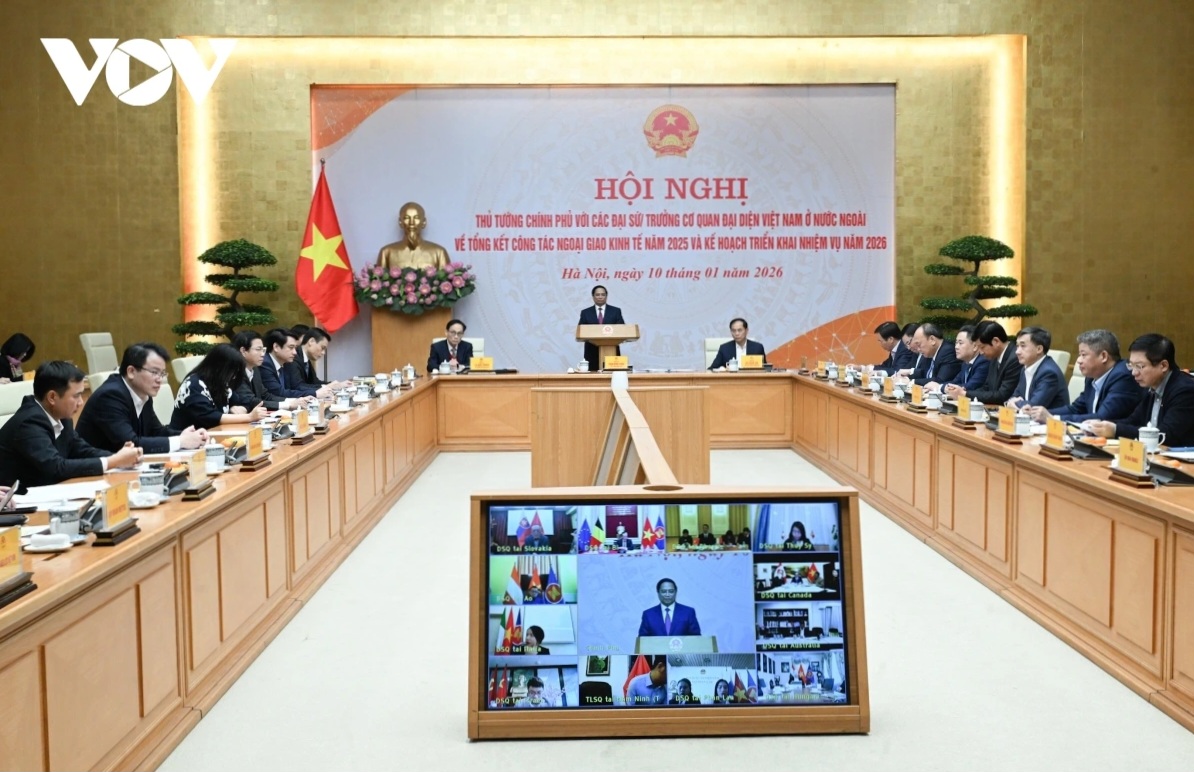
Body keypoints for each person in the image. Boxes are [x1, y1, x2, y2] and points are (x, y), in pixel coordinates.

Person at [0, 361, 141, 492]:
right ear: (52, 397)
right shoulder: (29, 422)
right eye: (76, 396)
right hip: (17, 502)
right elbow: (56, 467)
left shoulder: (62, 417)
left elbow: (81, 450)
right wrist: (113, 461)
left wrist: (121, 457)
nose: (81, 402)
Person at [76, 342, 208, 453]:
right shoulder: (110, 396)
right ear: (131, 372)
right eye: (154, 372)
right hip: (94, 472)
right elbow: (130, 444)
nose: (160, 379)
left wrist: (189, 436)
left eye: (162, 373)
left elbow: (156, 431)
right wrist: (180, 441)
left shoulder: (142, 393)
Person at [1087, 334, 1194, 447]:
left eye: (1139, 366)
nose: (1134, 373)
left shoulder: (1185, 391)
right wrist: (1101, 426)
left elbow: (1167, 435)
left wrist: (1115, 430)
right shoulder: (1151, 387)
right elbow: (1133, 421)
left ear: (1163, 366)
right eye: (1131, 365)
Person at [1028, 330, 1144, 423]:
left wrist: (1054, 419)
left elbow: (1102, 418)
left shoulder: (1123, 376)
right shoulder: (1092, 377)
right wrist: (1039, 413)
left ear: (1103, 356)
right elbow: (1076, 408)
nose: (1078, 360)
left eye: (1083, 355)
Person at [172, 344, 269, 430]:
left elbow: (241, 401)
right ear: (219, 367)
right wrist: (249, 417)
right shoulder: (193, 384)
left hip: (214, 434)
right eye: (232, 371)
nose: (234, 376)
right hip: (187, 438)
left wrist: (236, 407)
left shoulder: (220, 383)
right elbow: (209, 416)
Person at [951, 320, 1022, 405]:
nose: (980, 352)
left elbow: (1002, 395)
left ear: (996, 341)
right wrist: (965, 393)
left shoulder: (1015, 358)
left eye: (982, 347)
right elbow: (987, 388)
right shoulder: (994, 357)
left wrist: (965, 394)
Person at [1007, 326, 1069, 411]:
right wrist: (1013, 402)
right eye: (1017, 346)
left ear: (1039, 349)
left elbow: (1033, 406)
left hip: (1050, 419)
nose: (1017, 351)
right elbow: (1014, 397)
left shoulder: (1049, 373)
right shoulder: (1025, 368)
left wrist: (1014, 403)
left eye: (1023, 346)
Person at [376, 201, 450, 272]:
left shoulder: (439, 253)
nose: (412, 223)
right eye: (407, 218)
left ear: (424, 222)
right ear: (400, 222)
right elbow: (379, 279)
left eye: (416, 218)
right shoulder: (386, 252)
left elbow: (445, 278)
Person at [230, 331, 292, 412]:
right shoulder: (235, 372)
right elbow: (251, 401)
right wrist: (288, 405)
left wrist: (292, 401)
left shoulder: (255, 369)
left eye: (263, 350)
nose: (262, 354)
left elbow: (265, 395)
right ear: (243, 351)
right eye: (258, 349)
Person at [260, 328, 326, 399]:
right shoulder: (265, 363)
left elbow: (295, 387)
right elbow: (279, 393)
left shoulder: (286, 363)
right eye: (291, 347)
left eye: (295, 348)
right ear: (276, 347)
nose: (295, 352)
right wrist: (315, 393)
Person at [578, 285, 625, 372]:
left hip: (612, 350)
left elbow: (621, 329)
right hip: (591, 351)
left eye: (603, 294)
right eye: (597, 295)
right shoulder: (585, 312)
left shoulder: (615, 311)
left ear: (606, 296)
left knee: (613, 376)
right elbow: (581, 330)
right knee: (593, 378)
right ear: (593, 296)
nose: (600, 297)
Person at [930, 325, 989, 394]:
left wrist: (939, 387)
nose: (956, 347)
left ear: (975, 346)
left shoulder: (983, 362)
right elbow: (955, 382)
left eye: (960, 343)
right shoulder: (965, 363)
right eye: (956, 343)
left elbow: (970, 386)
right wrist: (937, 386)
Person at [288, 327, 350, 392]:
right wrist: (327, 386)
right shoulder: (294, 358)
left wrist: (337, 385)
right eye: (322, 348)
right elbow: (298, 386)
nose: (323, 353)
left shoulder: (306, 359)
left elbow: (314, 382)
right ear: (311, 341)